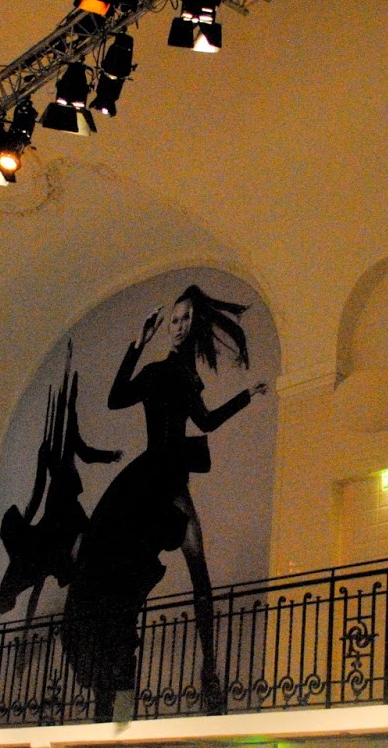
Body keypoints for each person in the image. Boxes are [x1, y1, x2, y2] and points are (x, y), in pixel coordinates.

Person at [62, 285, 266, 721]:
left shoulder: (188, 377)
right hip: (149, 480)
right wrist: (138, 343)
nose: (178, 326)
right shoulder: (158, 371)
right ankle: (120, 688)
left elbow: (205, 421)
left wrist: (247, 396)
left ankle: (208, 674)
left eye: (185, 318)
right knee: (141, 573)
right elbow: (116, 398)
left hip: (171, 478)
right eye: (174, 319)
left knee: (197, 571)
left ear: (196, 323)